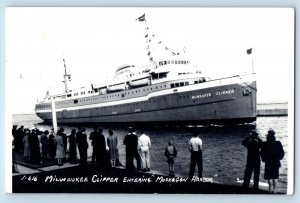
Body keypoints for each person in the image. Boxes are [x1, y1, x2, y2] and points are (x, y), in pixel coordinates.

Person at [260, 129, 285, 193]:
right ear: (274, 136)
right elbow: (282, 153)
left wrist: (264, 159)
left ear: (267, 137)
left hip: (268, 162)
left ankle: (270, 189)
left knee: (269, 177)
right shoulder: (278, 143)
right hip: (276, 162)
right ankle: (275, 189)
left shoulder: (264, 144)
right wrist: (279, 158)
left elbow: (262, 153)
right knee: (275, 176)